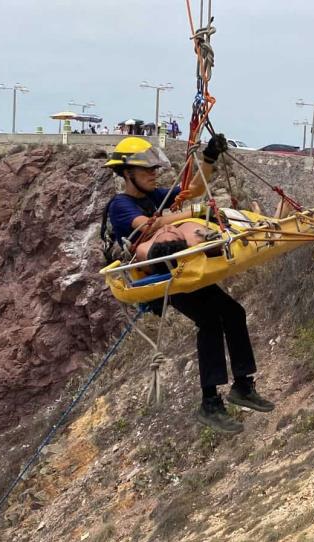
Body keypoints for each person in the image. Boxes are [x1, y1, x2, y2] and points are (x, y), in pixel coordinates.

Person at [103, 135, 274, 434]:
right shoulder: (121, 205)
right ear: (127, 174)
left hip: (180, 270)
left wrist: (208, 158)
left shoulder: (152, 196)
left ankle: (243, 385)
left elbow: (191, 190)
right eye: (147, 171)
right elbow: (147, 225)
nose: (154, 175)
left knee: (233, 313)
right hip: (160, 276)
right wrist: (195, 213)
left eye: (154, 170)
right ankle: (210, 404)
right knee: (210, 322)